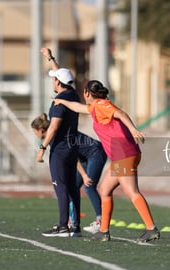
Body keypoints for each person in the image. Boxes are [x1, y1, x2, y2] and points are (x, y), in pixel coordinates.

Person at [53, 80, 160, 243]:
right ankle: (103, 231)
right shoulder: (95, 107)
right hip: (123, 155)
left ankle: (151, 228)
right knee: (104, 189)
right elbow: (77, 107)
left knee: (132, 192)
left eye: (84, 92)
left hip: (124, 154)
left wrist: (133, 129)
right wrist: (61, 101)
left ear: (87, 93)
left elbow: (120, 113)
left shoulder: (102, 105)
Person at [31, 113, 107, 234]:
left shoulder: (57, 135)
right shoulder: (54, 135)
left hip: (95, 152)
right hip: (84, 158)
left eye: (35, 132)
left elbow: (73, 156)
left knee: (89, 186)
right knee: (73, 188)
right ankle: (72, 223)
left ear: (41, 130)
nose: (35, 134)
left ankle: (101, 221)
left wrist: (84, 175)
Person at [37, 47, 82, 237]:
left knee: (60, 186)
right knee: (72, 187)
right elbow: (63, 75)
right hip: (73, 147)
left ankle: (63, 226)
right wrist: (50, 58)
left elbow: (54, 127)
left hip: (61, 148)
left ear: (58, 82)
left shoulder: (59, 101)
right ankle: (75, 226)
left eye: (54, 79)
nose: (52, 81)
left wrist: (42, 147)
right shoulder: (72, 94)